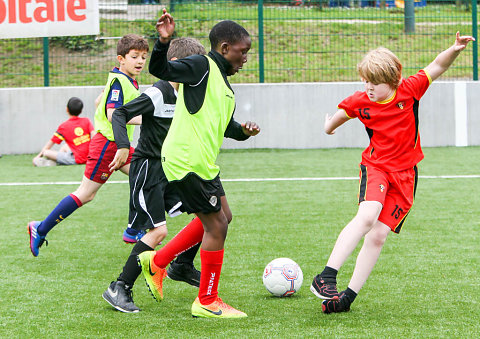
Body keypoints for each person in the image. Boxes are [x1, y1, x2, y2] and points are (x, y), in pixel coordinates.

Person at [310, 32, 474, 314]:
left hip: (406, 176)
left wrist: (455, 49)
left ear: (392, 79)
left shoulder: (410, 90)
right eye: (365, 81)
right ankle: (326, 275)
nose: (368, 87)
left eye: (375, 82)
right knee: (367, 215)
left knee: (378, 236)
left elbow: (438, 65)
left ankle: (346, 299)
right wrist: (328, 127)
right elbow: (338, 117)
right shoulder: (360, 101)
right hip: (376, 168)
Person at [137, 9, 260, 319]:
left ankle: (158, 261)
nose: (245, 58)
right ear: (224, 48)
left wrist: (243, 132)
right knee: (216, 224)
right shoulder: (201, 66)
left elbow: (226, 127)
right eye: (242, 52)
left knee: (223, 217)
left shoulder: (224, 85)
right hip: (185, 160)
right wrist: (163, 42)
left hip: (203, 163)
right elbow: (160, 68)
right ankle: (207, 300)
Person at [102, 37, 207, 313]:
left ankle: (181, 265)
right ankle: (120, 286)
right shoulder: (158, 92)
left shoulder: (187, 93)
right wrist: (123, 146)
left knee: (207, 216)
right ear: (178, 67)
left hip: (171, 168)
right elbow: (120, 113)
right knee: (158, 232)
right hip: (148, 168)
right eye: (193, 67)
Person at [28, 34, 149, 257]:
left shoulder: (124, 79)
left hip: (118, 144)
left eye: (143, 57)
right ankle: (40, 228)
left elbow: (99, 102)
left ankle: (134, 228)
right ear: (121, 58)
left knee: (145, 175)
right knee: (86, 194)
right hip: (107, 145)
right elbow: (113, 114)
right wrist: (149, 119)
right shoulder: (119, 81)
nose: (140, 61)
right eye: (135, 57)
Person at [32, 97, 94, 167]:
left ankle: (56, 162)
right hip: (89, 157)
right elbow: (94, 136)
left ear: (67, 109)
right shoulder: (87, 121)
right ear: (81, 111)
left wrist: (38, 156)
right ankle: (58, 160)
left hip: (77, 159)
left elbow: (50, 144)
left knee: (46, 152)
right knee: (64, 147)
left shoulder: (64, 126)